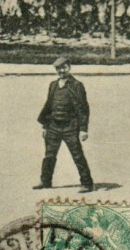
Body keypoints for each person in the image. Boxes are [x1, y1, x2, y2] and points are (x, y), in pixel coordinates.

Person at [35, 57, 93, 192]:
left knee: (77, 155)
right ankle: (45, 181)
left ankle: (87, 183)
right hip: (53, 126)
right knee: (49, 155)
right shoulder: (53, 85)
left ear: (69, 68)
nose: (61, 71)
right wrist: (45, 126)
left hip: (70, 127)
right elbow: (49, 107)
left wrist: (83, 129)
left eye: (64, 68)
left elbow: (83, 109)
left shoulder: (77, 85)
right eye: (58, 69)